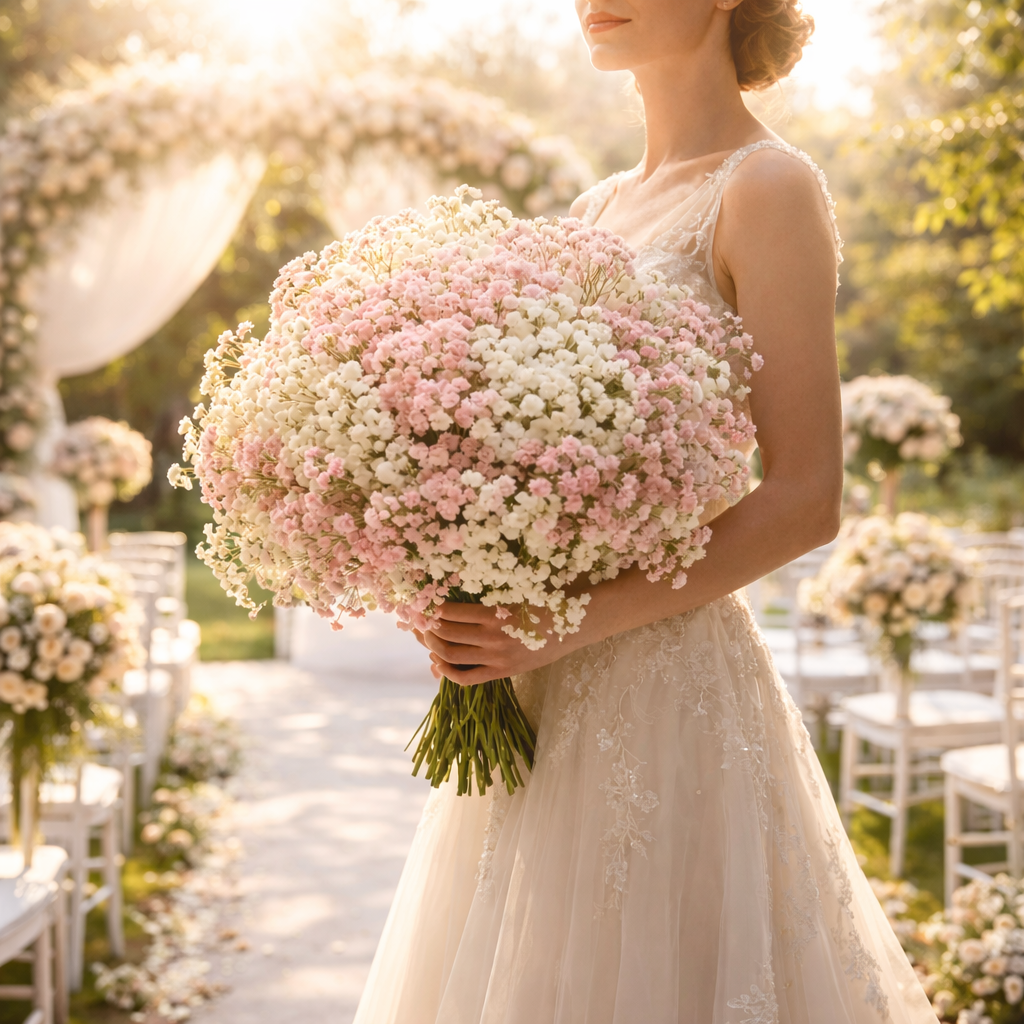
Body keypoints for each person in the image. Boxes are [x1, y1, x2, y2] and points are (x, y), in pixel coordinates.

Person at [353, 2, 939, 1021]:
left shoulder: (768, 187)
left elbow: (806, 497)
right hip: (536, 688)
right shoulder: (595, 210)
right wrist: (460, 581)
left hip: (667, 690)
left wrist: (568, 621)